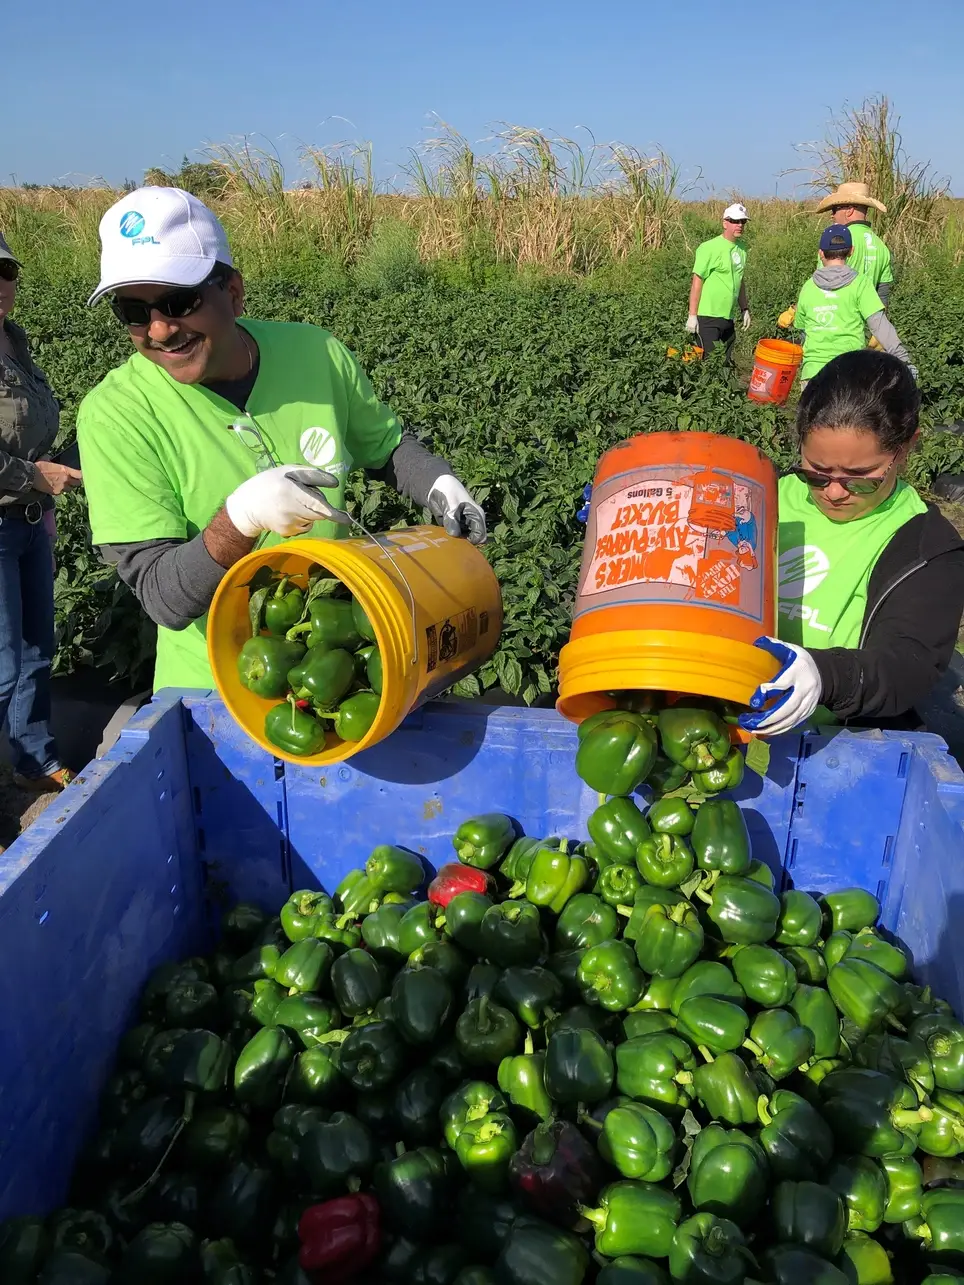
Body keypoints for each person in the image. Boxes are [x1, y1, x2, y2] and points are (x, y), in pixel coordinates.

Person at [77, 187, 486, 692]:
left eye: (179, 301)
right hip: (213, 690)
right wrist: (240, 519)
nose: (159, 330)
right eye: (133, 312)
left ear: (233, 292)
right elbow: (164, 597)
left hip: (336, 669)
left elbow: (386, 447)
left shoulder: (316, 354)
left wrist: (439, 483)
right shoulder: (117, 414)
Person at [740, 350, 964, 738]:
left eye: (860, 478)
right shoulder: (763, 496)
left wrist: (826, 676)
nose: (834, 492)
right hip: (724, 708)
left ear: (906, 448)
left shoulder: (926, 549)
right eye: (816, 473)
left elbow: (906, 665)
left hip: (831, 740)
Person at [0, 234, 82, 793]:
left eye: (6, 271)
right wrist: (32, 476)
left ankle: (32, 758)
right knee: (2, 664)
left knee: (34, 651)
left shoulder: (15, 340)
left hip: (28, 523)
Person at [793, 226, 913, 387]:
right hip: (850, 372)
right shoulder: (860, 284)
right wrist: (904, 362)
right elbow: (880, 326)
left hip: (814, 375)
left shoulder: (808, 287)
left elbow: (803, 331)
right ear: (851, 251)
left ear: (821, 253)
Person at [686, 203, 751, 360]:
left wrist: (744, 308)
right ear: (725, 223)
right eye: (735, 221)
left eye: (743, 221)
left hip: (728, 316)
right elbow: (697, 281)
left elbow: (739, 279)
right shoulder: (709, 248)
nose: (740, 225)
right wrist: (692, 315)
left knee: (725, 364)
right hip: (708, 316)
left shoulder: (742, 249)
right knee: (708, 363)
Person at [816, 180, 894, 305]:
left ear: (849, 210)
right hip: (868, 316)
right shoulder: (881, 246)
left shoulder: (835, 240)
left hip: (838, 315)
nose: (832, 215)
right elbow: (882, 296)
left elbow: (820, 286)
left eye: (834, 209)